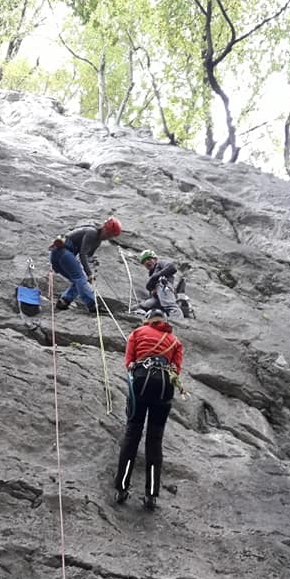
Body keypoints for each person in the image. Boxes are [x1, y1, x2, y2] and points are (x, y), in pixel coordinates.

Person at [114, 308, 184, 511]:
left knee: (132, 435)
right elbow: (176, 369)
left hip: (141, 385)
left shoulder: (137, 333)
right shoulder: (174, 340)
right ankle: (151, 494)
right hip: (164, 388)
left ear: (147, 320)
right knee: (155, 440)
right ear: (164, 321)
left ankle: (122, 488)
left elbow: (129, 363)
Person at [49, 217, 122, 313]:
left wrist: (93, 262)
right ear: (103, 228)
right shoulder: (92, 233)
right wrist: (89, 273)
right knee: (81, 279)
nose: (107, 237)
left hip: (58, 255)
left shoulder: (97, 241)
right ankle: (92, 305)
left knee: (78, 282)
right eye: (108, 233)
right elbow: (82, 254)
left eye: (110, 236)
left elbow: (88, 256)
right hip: (63, 251)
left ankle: (64, 301)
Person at [137, 249, 183, 319]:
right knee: (139, 307)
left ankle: (178, 321)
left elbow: (172, 267)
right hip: (157, 298)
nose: (147, 262)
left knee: (170, 306)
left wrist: (155, 277)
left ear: (155, 259)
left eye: (149, 259)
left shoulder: (160, 264)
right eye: (144, 261)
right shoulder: (151, 274)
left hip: (164, 288)